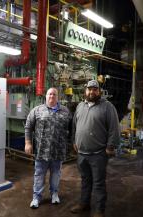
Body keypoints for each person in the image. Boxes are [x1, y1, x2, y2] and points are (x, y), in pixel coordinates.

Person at [70, 80, 120, 217]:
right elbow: (74, 125)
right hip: (82, 153)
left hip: (98, 153)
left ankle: (99, 210)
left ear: (99, 91)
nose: (91, 92)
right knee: (85, 180)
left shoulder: (107, 107)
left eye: (94, 89)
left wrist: (110, 146)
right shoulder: (80, 106)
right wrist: (74, 141)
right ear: (85, 91)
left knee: (98, 183)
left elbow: (114, 128)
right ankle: (84, 204)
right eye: (89, 89)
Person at [24, 87, 72, 209]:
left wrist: (72, 144)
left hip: (58, 151)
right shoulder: (37, 110)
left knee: (56, 174)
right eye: (49, 94)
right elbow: (28, 127)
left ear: (58, 97)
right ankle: (36, 197)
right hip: (42, 152)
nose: (51, 96)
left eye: (54, 94)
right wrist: (28, 143)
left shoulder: (65, 112)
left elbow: (72, 129)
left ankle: (54, 194)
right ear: (45, 96)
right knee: (39, 174)